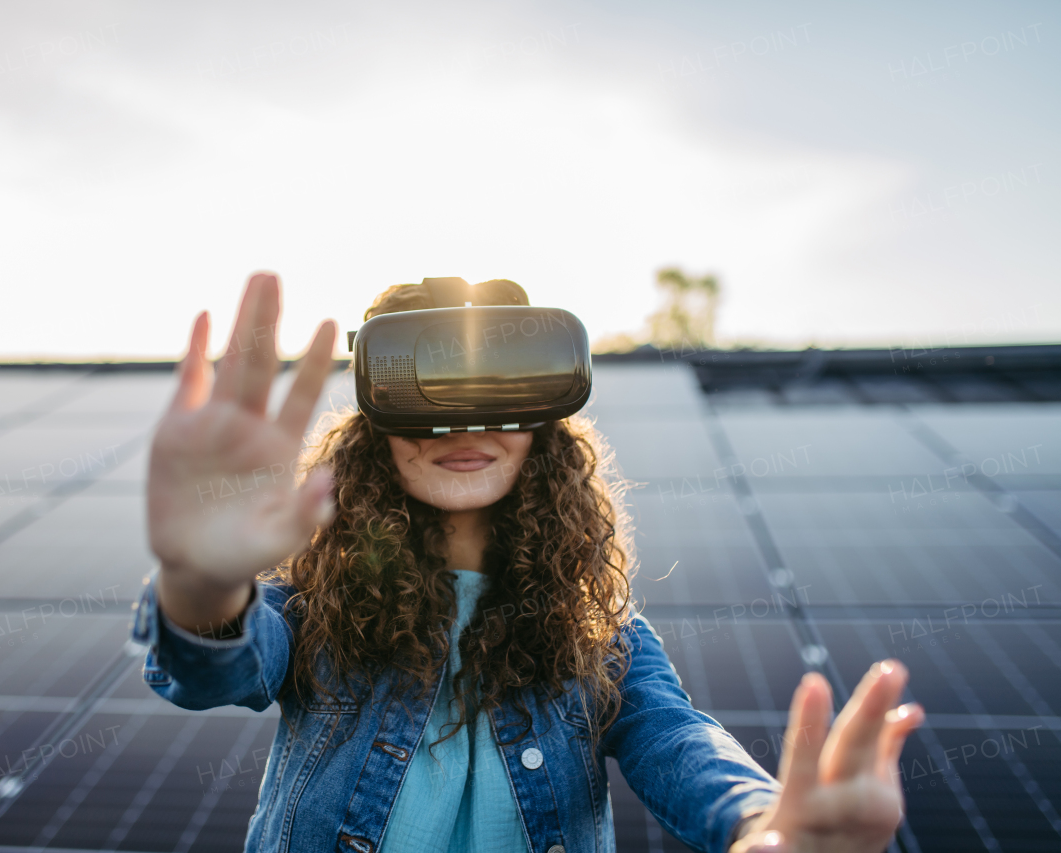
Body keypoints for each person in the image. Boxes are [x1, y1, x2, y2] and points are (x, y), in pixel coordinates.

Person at [132, 272, 925, 853]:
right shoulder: (314, 606)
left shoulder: (601, 633)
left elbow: (673, 737)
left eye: (496, 385)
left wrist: (763, 819)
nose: (462, 422)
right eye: (423, 388)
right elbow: (214, 668)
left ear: (544, 416)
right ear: (377, 419)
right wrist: (202, 575)